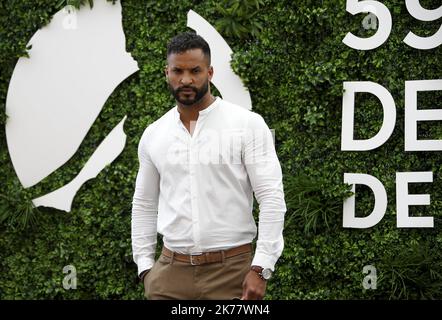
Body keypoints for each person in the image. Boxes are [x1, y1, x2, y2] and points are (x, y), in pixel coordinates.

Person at [131, 32, 286, 300]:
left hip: (232, 273)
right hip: (169, 275)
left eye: (195, 70)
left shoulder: (247, 125)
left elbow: (271, 198)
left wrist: (261, 268)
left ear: (210, 72)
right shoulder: (154, 134)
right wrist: (146, 269)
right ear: (167, 72)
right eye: (178, 71)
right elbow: (144, 203)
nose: (186, 79)